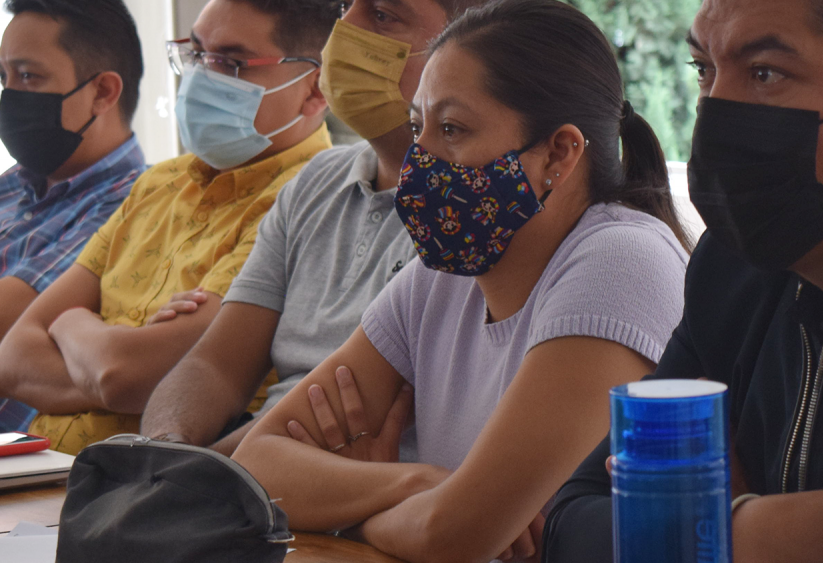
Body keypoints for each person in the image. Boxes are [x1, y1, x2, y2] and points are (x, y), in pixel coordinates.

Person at [232, 1, 691, 561]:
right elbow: (257, 465)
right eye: (417, 126)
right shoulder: (442, 277)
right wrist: (415, 483)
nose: (418, 158)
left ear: (559, 153)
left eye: (451, 129)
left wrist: (346, 515)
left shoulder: (622, 261)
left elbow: (453, 535)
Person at [542, 0, 823, 562]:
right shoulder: (738, 264)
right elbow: (571, 524)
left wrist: (673, 519)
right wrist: (749, 530)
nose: (713, 114)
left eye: (765, 74)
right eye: (704, 69)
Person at [140, 0, 488, 456]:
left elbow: (341, 406)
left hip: (337, 490)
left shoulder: (475, 211)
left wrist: (196, 478)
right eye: (345, 7)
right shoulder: (316, 182)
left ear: (468, 45)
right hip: (250, 473)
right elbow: (215, 366)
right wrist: (164, 449)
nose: (342, 31)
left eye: (383, 16)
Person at [0, 0, 336, 455]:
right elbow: (13, 357)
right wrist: (110, 355)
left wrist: (70, 323)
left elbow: (127, 374)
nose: (200, 77)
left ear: (314, 88)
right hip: (44, 474)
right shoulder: (159, 183)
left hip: (149, 485)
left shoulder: (307, 201)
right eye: (196, 54)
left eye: (231, 63)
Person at [0, 0, 146, 433]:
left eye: (29, 76)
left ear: (102, 92)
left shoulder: (133, 206)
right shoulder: (14, 184)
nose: (10, 95)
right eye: (4, 77)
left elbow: (8, 322)